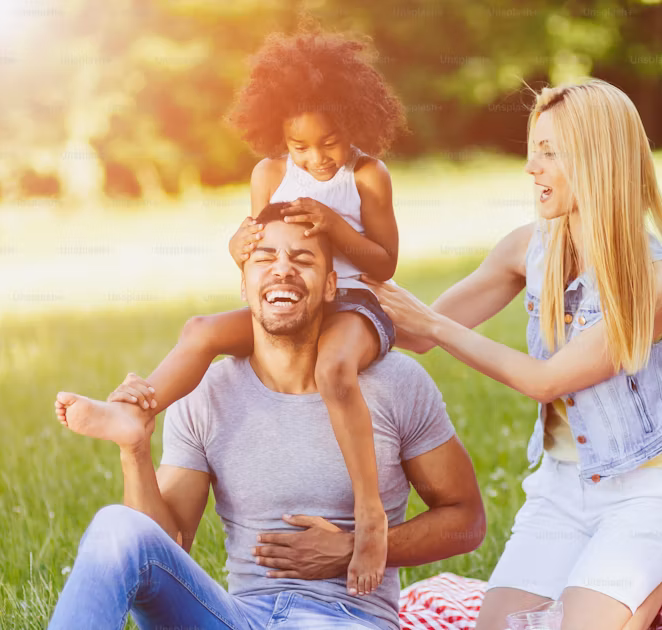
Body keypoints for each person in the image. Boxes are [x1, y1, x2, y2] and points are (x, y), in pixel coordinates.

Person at [364, 79, 662, 630]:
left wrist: (434, 325)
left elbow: (547, 380)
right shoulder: (527, 248)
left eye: (550, 152)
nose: (531, 168)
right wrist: (334, 268)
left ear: (597, 159)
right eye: (532, 150)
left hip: (643, 495)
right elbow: (414, 334)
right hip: (559, 491)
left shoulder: (657, 280)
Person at [52, 29, 407, 596]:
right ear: (279, 137)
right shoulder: (268, 175)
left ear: (355, 124)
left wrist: (337, 228)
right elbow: (263, 255)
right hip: (294, 297)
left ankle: (370, 513)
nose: (315, 159)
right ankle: (137, 413)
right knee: (201, 331)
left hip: (355, 300)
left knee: (333, 370)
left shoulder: (366, 176)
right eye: (300, 147)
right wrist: (237, 248)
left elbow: (385, 262)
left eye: (329, 143)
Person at [50, 207, 485, 629]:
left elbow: (466, 520)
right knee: (117, 526)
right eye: (264, 258)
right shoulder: (203, 392)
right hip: (237, 616)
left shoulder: (395, 383)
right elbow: (171, 543)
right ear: (244, 284)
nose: (282, 270)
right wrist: (135, 452)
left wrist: (354, 547)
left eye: (302, 259)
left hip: (345, 617)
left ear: (331, 286)